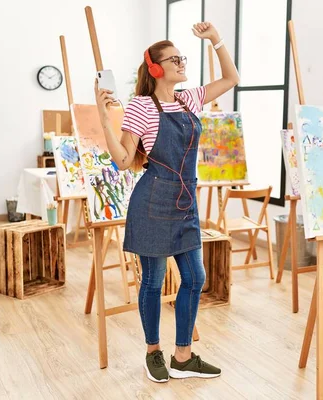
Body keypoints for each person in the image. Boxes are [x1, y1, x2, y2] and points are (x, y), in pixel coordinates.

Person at [94, 22, 239, 383]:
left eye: (182, 57)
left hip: (185, 203)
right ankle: (153, 352)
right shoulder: (142, 106)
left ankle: (184, 356)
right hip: (152, 203)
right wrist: (104, 119)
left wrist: (215, 39)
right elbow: (125, 160)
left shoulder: (188, 99)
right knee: (154, 282)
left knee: (194, 278)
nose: (181, 63)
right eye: (174, 59)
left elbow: (231, 77)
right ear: (156, 68)